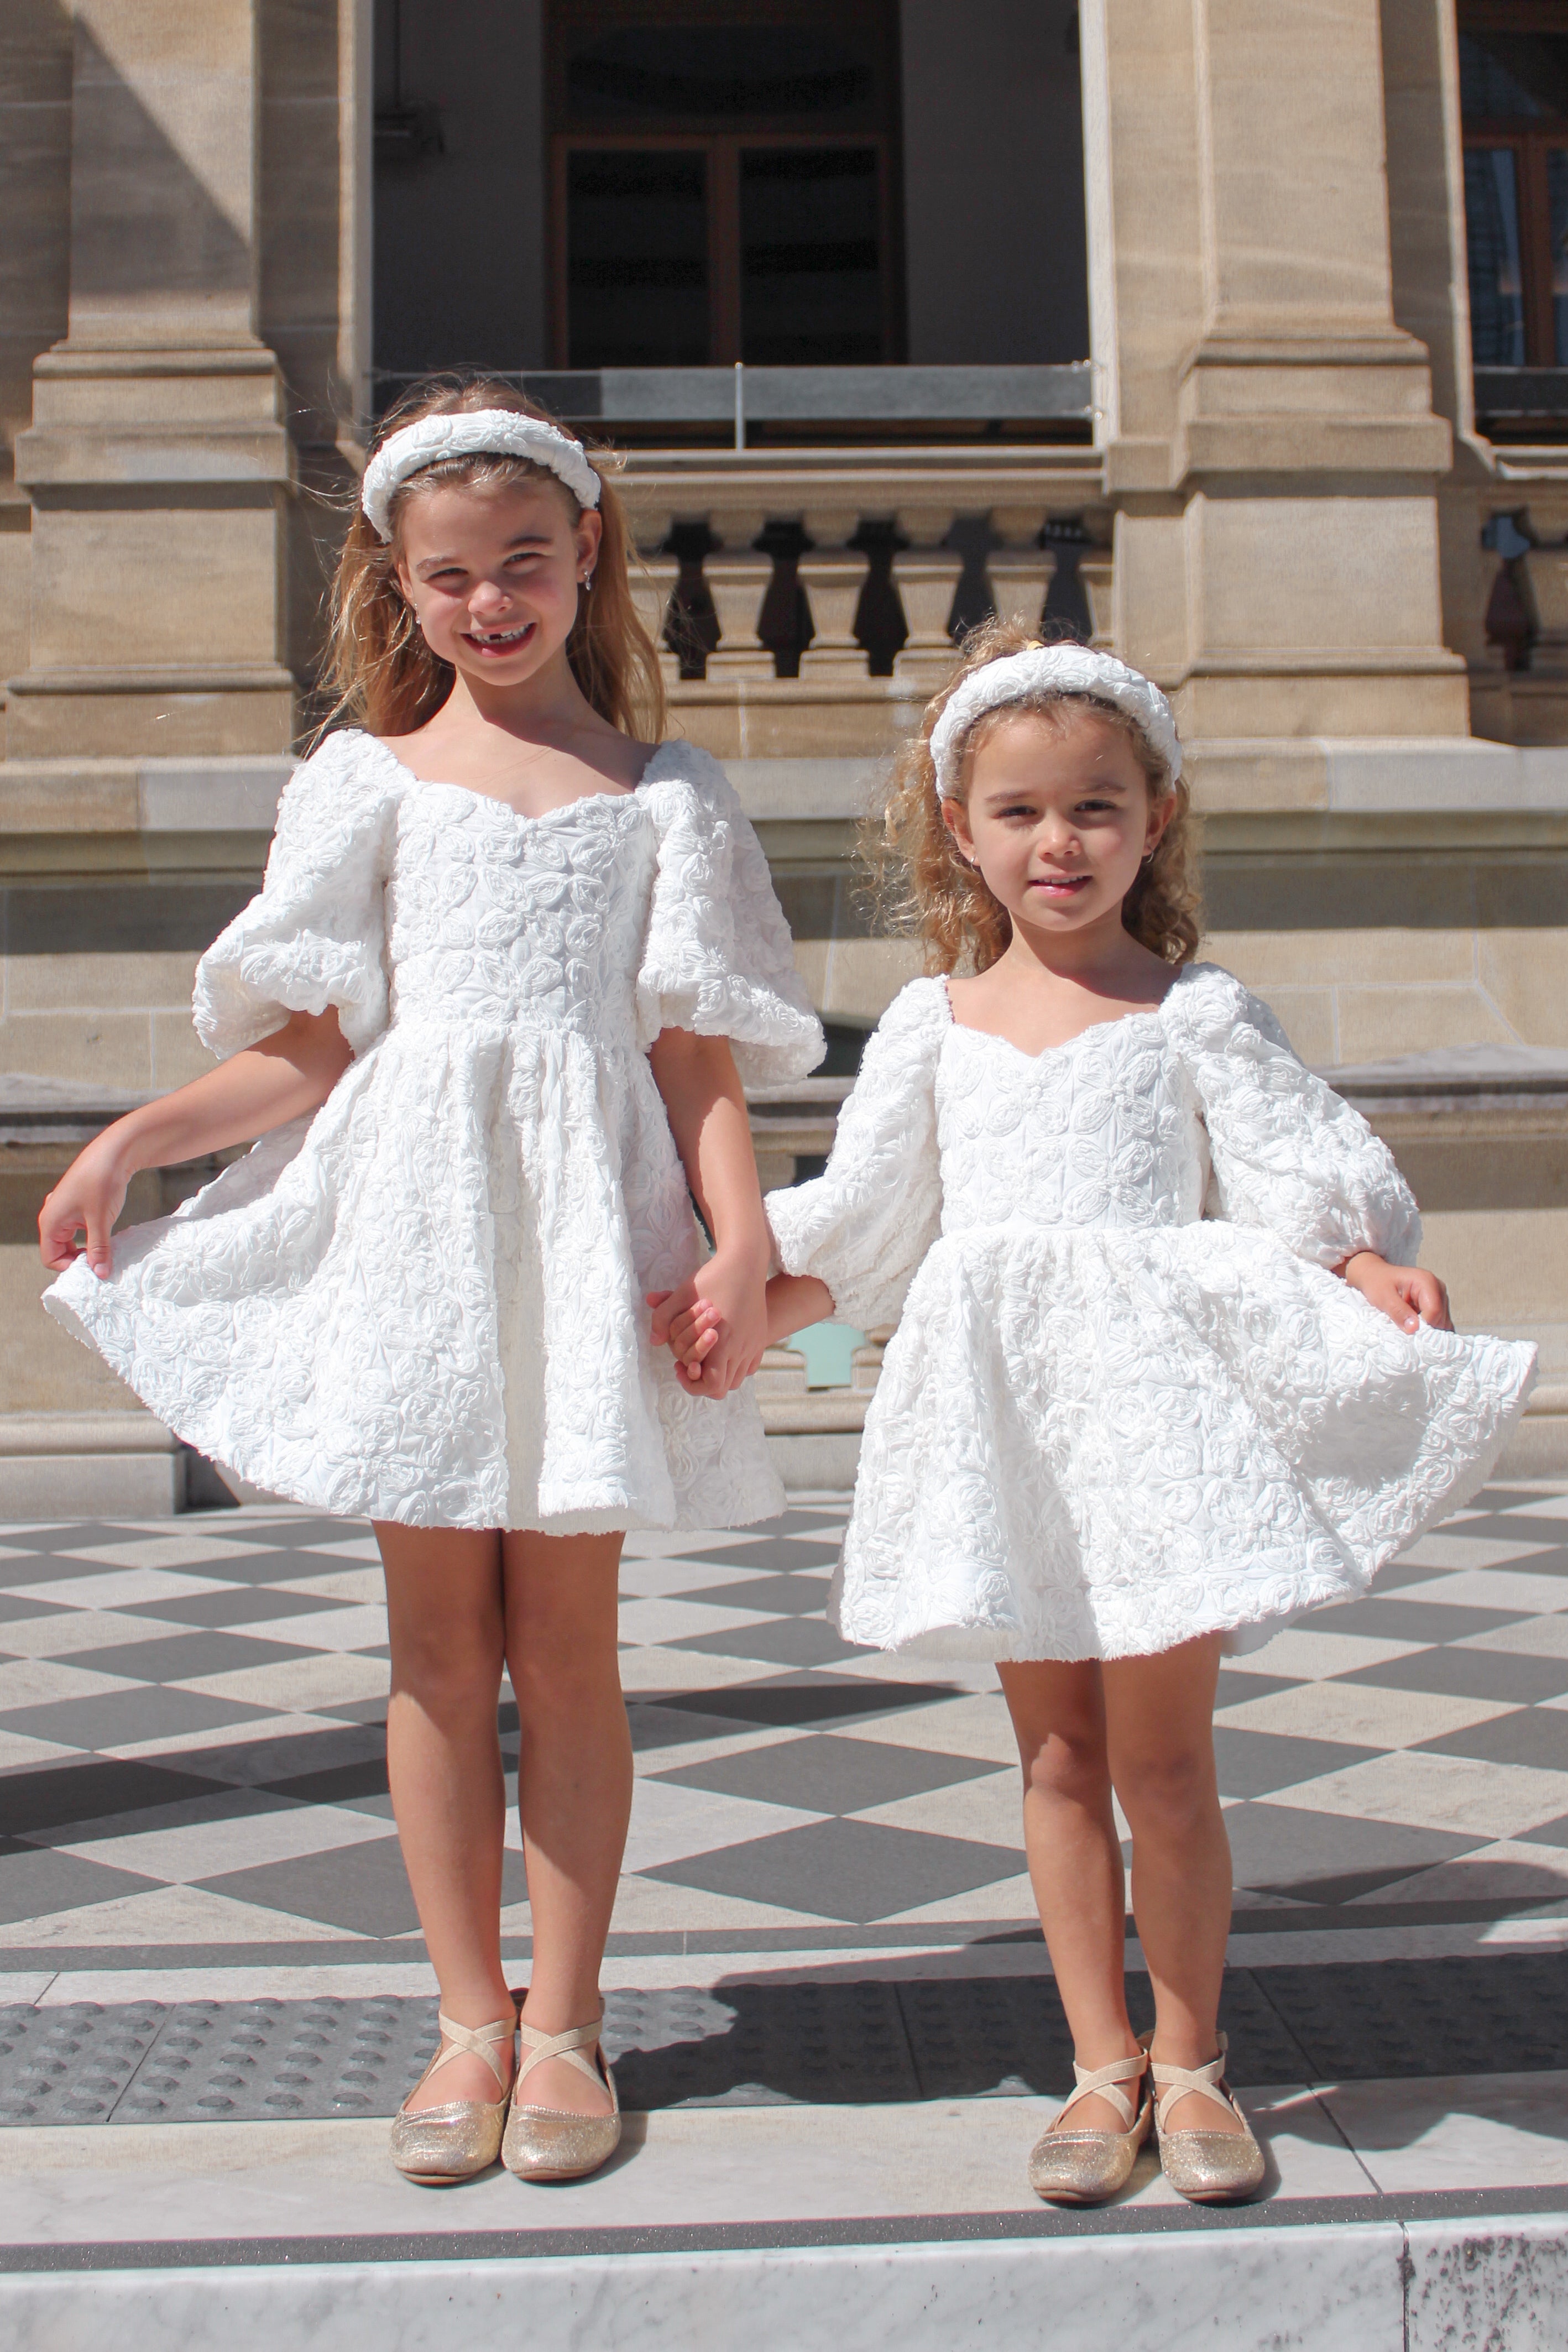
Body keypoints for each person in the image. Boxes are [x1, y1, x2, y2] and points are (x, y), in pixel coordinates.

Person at [38, 380, 822, 2187]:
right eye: (452, 573)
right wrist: (134, 1141)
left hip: (582, 1235)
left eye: (524, 566)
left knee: (570, 1646)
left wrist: (740, 1243)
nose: (491, 603)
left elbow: (696, 1059)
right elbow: (312, 1050)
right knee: (434, 1648)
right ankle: (464, 2015)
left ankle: (566, 2018)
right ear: (399, 578)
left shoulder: (662, 795)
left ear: (583, 560)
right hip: (417, 1241)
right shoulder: (366, 781)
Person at [670, 624, 1535, 2207]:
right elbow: (867, 1222)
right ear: (960, 827)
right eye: (1020, 811)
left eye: (1093, 807)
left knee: (1166, 1763)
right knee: (1056, 1755)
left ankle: (1194, 2060)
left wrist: (1362, 1261)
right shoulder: (930, 1026)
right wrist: (743, 1309)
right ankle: (1095, 2064)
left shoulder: (1192, 1010)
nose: (1057, 842)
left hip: (1154, 1415)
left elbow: (1286, 1171)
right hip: (1009, 1413)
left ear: (1153, 821)